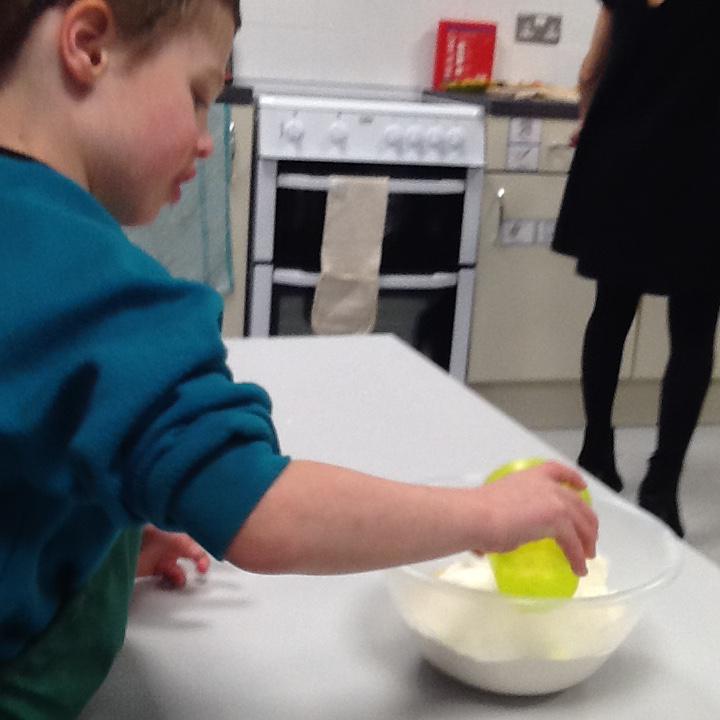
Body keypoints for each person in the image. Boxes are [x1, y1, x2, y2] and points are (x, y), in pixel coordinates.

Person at [0, 1, 598, 716]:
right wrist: (489, 515)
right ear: (89, 45)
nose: (206, 141)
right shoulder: (88, 283)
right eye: (197, 94)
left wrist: (95, 537)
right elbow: (264, 512)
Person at [552, 0, 720, 538]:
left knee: (611, 311)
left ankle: (596, 450)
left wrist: (588, 119)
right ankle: (662, 486)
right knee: (693, 332)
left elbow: (589, 71)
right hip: (702, 173)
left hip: (622, 162)